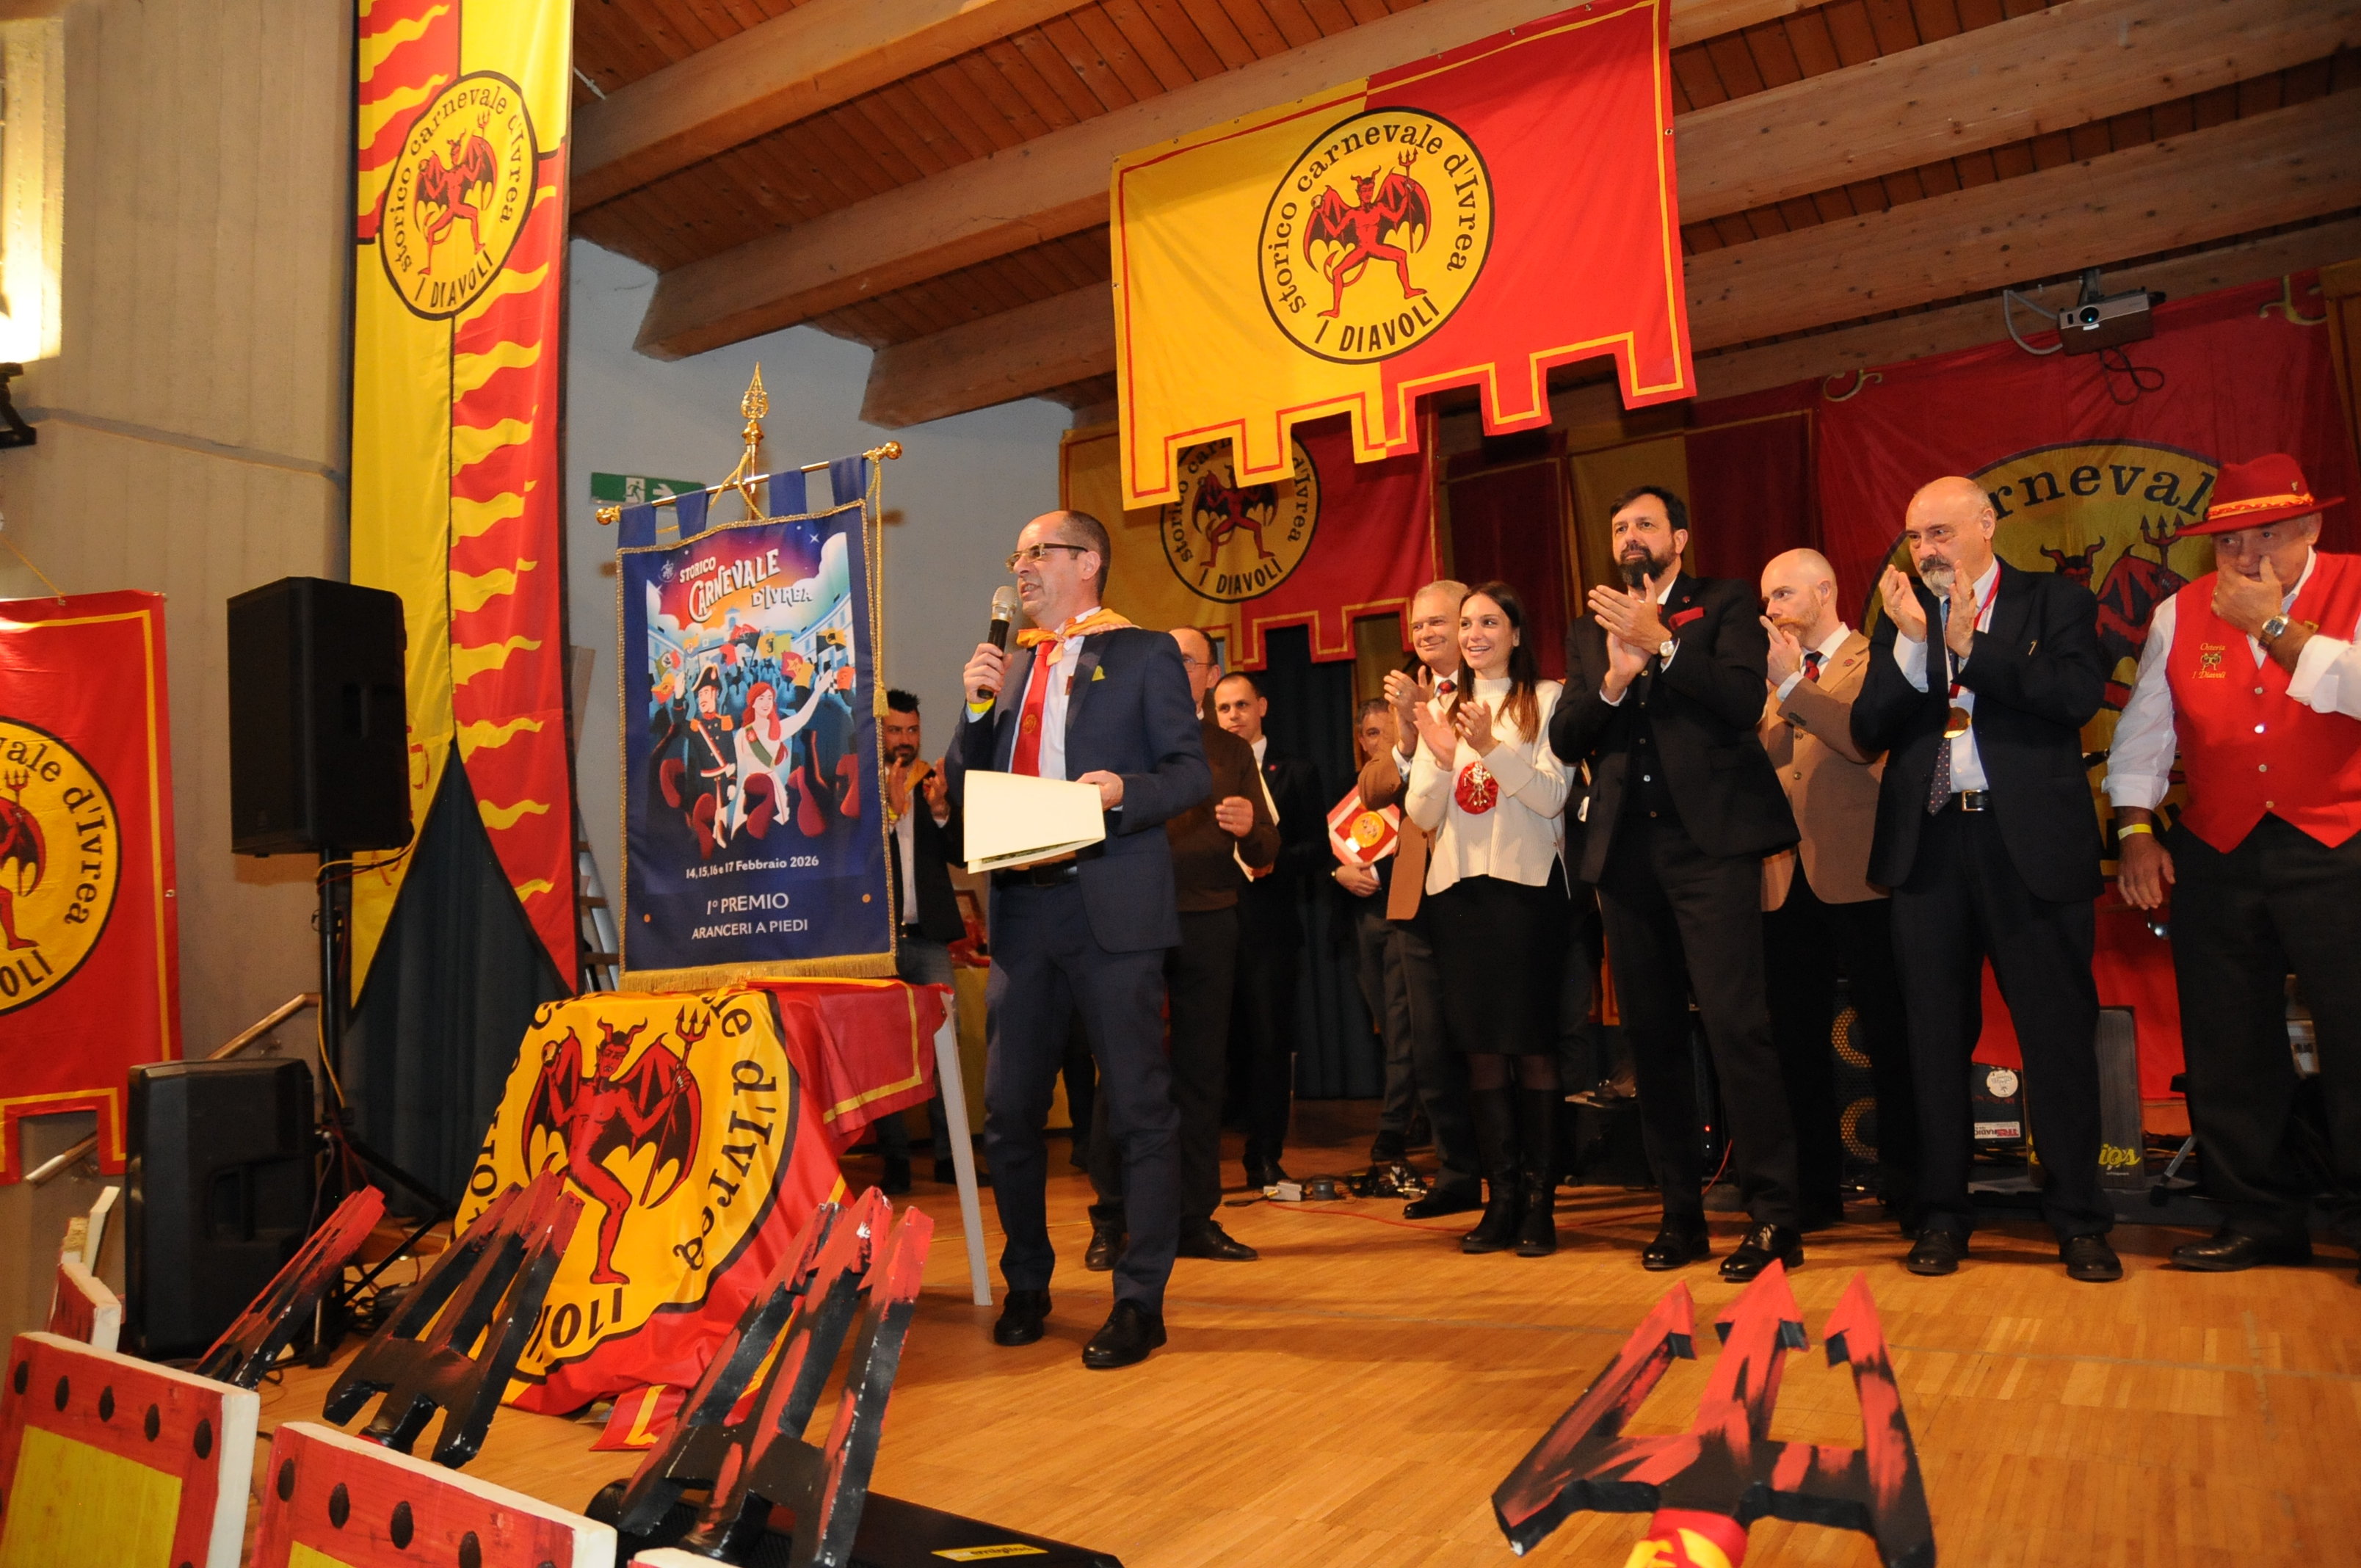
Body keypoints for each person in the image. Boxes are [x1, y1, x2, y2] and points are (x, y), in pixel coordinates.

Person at [949, 509, 1209, 1370]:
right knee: (1010, 1113)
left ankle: (1140, 1302)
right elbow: (960, 785)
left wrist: (1122, 791)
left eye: (1039, 553)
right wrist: (975, 706)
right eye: (1017, 554)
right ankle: (1028, 1283)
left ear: (1087, 561)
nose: (1022, 567)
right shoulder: (1009, 663)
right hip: (1024, 912)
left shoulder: (1141, 654)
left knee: (1137, 1108)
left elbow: (1188, 773)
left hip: (1113, 907)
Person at [1852, 475, 2119, 1283]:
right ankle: (1942, 1213)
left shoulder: (2053, 602)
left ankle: (2078, 1218)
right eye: (1914, 537)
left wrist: (1970, 646)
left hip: (2027, 845)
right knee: (1933, 1041)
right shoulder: (1904, 616)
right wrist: (1913, 643)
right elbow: (1868, 728)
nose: (1926, 550)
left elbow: (2075, 696)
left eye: (1939, 532)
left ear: (1986, 525)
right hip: (1931, 847)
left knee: (2056, 1036)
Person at [2108, 454, 2361, 1280]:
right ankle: (2258, 1218)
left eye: (2267, 536)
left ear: (2311, 528)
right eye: (2229, 543)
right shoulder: (2179, 612)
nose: (2247, 558)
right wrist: (2137, 829)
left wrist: (2275, 627)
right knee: (2229, 1044)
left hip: (2340, 844)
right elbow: (2145, 733)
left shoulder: (2355, 586)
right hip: (2220, 848)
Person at [1551, 485, 1805, 1282]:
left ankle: (1774, 1218)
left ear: (1679, 539)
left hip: (1711, 850)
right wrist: (1614, 678)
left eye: (1645, 524)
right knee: (1652, 1039)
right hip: (1625, 858)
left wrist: (1662, 645)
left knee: (1737, 1029)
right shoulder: (1589, 630)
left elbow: (1742, 701)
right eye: (1619, 526)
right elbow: (1565, 737)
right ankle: (1680, 1216)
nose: (1630, 536)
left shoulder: (1724, 603)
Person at [1084, 627, 1277, 1271]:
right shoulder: (1121, 735)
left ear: (1209, 675)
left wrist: (1251, 830)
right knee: (1123, 1070)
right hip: (1130, 918)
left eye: (1184, 661)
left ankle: (1195, 1218)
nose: (1170, 669)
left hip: (1209, 920)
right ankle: (1111, 1219)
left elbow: (1267, 848)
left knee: (1201, 1074)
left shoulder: (1230, 749)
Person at [1405, 582, 1573, 1256]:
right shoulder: (1443, 708)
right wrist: (1441, 754)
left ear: (1516, 633)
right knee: (1479, 1054)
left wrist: (1488, 747)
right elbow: (1421, 813)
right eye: (1467, 623)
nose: (1473, 634)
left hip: (1526, 894)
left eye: (1489, 623)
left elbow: (1552, 797)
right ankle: (1500, 1201)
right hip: (1458, 896)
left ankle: (1539, 1204)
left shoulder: (1548, 699)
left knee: (1531, 1050)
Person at [1756, 548, 1920, 1233]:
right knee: (1794, 1044)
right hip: (1783, 877)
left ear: (1824, 590)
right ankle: (1812, 1193)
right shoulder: (1770, 676)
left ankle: (1911, 1191)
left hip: (1861, 874)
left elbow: (1861, 743)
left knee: (1891, 1035)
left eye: (1783, 594)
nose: (1772, 610)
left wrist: (1791, 684)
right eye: (1767, 599)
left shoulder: (1876, 659)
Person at [1364, 579, 1485, 1219]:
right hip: (1417, 892)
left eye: (1440, 621)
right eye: (1418, 625)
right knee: (1429, 1046)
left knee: (1490, 1038)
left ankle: (1515, 1173)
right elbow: (1372, 788)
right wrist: (1408, 736)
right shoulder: (1407, 696)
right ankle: (1457, 1174)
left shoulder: (1494, 687)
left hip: (1484, 883)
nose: (1427, 633)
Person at [1215, 669, 1327, 1189]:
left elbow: (1318, 849)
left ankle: (1264, 1155)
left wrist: (1272, 862)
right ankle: (1205, 1162)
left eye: (1241, 705)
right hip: (1213, 927)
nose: (1233, 716)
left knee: (1269, 1045)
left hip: (1269, 931)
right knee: (1215, 1047)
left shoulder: (1295, 772)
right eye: (1223, 708)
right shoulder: (1200, 772)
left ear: (1261, 707)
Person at [872, 689, 962, 1192]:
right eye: (895, 730)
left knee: (945, 1046)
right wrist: (888, 812)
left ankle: (952, 1159)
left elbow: (963, 853)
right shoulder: (859, 784)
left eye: (912, 730)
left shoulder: (931, 782)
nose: (905, 740)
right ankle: (896, 1161)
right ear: (878, 732)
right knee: (884, 1053)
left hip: (928, 942)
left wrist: (943, 810)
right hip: (879, 944)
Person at [1335, 700, 1419, 1167]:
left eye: (1388, 731)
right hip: (1365, 920)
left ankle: (1392, 1128)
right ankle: (1415, 1114)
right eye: (1370, 734)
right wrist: (1339, 874)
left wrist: (1379, 874)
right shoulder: (1352, 794)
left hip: (1411, 918)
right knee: (1390, 1026)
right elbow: (1328, 849)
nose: (1378, 742)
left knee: (1406, 1026)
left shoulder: (1421, 780)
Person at [731, 677, 827, 841]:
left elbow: (802, 718)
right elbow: (738, 766)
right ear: (752, 703)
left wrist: (817, 691)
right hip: (750, 789)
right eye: (761, 698)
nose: (766, 703)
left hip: (772, 786)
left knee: (775, 833)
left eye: (770, 698)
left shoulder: (777, 729)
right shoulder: (742, 734)